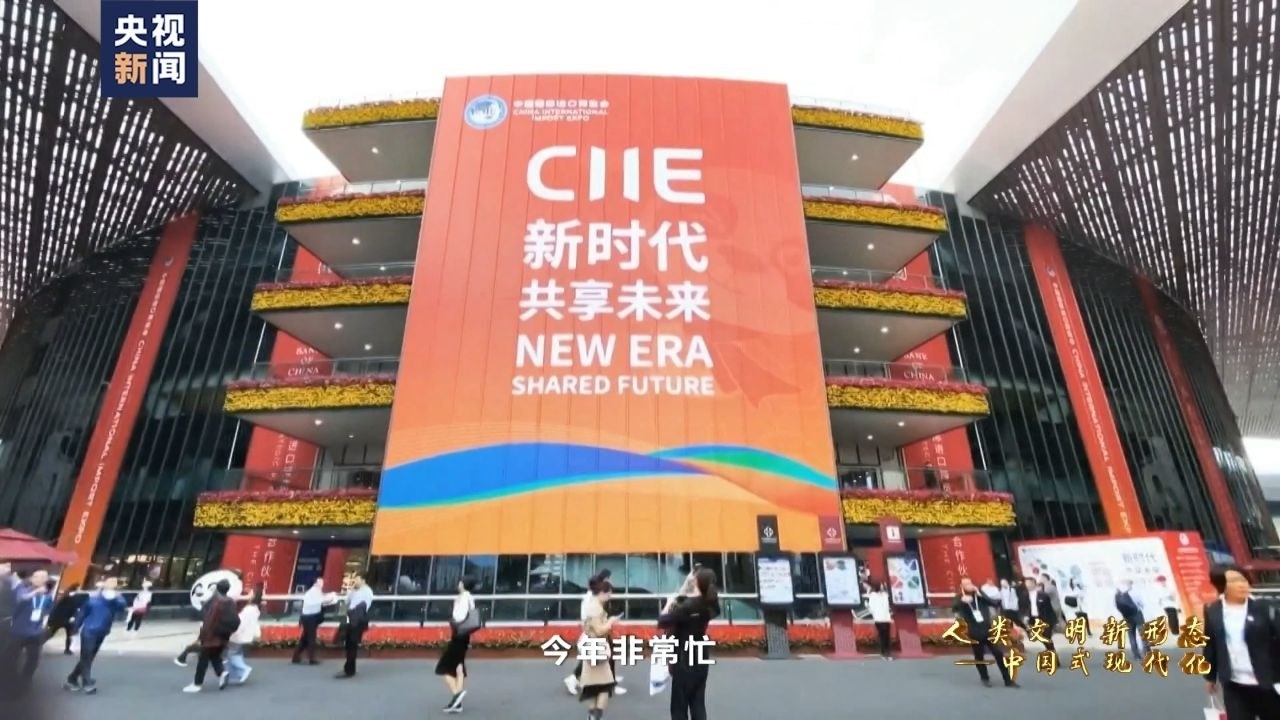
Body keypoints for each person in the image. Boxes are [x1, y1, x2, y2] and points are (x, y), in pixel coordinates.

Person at [1202, 564, 1280, 719]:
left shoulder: (1265, 607)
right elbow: (1211, 644)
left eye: (1243, 580)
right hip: (1234, 684)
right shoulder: (1213, 610)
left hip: (1268, 682)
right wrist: (1210, 676)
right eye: (1234, 581)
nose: (1242, 584)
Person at [659, 567, 720, 720]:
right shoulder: (710, 603)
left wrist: (668, 604)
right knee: (697, 702)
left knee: (679, 706)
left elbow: (662, 621)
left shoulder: (686, 606)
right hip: (700, 657)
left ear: (696, 582)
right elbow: (689, 601)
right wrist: (687, 586)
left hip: (683, 659)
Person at [565, 569, 627, 696]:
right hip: (595, 634)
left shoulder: (596, 597)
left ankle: (605, 682)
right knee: (600, 658)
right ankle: (604, 683)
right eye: (608, 579)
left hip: (597, 633)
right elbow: (592, 621)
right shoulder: (592, 599)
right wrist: (609, 622)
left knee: (602, 658)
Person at [65, 577, 128, 694]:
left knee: (89, 657)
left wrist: (116, 596)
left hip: (102, 631)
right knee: (87, 657)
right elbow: (81, 614)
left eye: (114, 582)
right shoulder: (93, 599)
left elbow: (122, 607)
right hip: (89, 631)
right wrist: (74, 630)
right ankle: (87, 683)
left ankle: (72, 678)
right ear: (104, 584)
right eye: (109, 581)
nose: (112, 583)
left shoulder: (116, 599)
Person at [952, 577, 1017, 688]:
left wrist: (980, 594)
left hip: (987, 629)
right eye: (966, 584)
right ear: (962, 586)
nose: (969, 585)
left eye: (970, 583)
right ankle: (985, 677)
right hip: (974, 631)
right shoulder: (959, 597)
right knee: (979, 656)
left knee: (998, 653)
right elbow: (954, 608)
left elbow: (994, 603)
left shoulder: (979, 595)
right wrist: (962, 601)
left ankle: (1008, 680)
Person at [183, 579, 238, 693]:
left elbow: (209, 621)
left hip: (211, 636)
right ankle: (222, 672)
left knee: (203, 660)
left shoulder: (217, 602)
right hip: (223, 635)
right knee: (215, 656)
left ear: (217, 588)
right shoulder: (231, 601)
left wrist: (202, 637)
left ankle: (197, 684)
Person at [435, 575, 479, 714]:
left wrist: (453, 620)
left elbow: (459, 616)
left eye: (460, 582)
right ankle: (457, 704)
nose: (458, 583)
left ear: (463, 584)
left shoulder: (463, 598)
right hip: (465, 636)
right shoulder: (470, 597)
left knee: (443, 667)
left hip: (458, 635)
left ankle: (456, 695)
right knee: (459, 666)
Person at [578, 576, 619, 720]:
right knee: (605, 685)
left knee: (595, 686)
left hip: (593, 646)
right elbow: (599, 630)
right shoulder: (595, 608)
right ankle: (595, 716)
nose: (609, 597)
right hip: (596, 647)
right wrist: (610, 622)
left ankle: (592, 715)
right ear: (601, 593)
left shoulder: (593, 606)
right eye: (608, 594)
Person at [10, 569, 53, 689]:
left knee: (33, 660)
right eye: (37, 577)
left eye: (43, 577)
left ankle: (24, 682)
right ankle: (10, 680)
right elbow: (20, 599)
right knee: (12, 658)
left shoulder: (47, 596)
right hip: (18, 631)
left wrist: (44, 624)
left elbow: (47, 611)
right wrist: (35, 593)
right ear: (32, 578)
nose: (40, 579)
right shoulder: (22, 589)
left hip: (35, 633)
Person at [336, 572, 374, 679]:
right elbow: (347, 602)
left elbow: (361, 607)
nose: (354, 581)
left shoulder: (367, 592)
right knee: (349, 645)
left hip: (357, 621)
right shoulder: (354, 591)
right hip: (350, 620)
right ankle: (349, 668)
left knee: (352, 645)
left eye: (357, 579)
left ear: (363, 580)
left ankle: (349, 670)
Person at [291, 578, 336, 665]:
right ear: (315, 583)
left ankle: (296, 656)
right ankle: (311, 658)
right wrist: (332, 595)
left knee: (305, 637)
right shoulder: (315, 591)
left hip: (307, 617)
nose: (322, 583)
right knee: (311, 637)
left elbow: (321, 601)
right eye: (320, 582)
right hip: (310, 617)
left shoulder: (313, 592)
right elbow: (324, 600)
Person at [226, 588, 262, 686]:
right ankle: (238, 674)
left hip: (238, 635)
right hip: (245, 636)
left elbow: (240, 623)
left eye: (250, 593)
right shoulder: (255, 609)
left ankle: (243, 669)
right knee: (236, 654)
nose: (247, 595)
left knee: (231, 654)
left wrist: (233, 632)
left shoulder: (248, 610)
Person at [1020, 578, 1057, 652]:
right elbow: (1023, 607)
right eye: (1026, 583)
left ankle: (1052, 652)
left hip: (1044, 620)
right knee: (1041, 637)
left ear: (1034, 584)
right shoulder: (1024, 595)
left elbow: (1049, 610)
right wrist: (1025, 616)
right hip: (1033, 619)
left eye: (1029, 583)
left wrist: (1052, 622)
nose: (1027, 585)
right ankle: (1050, 650)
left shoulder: (1043, 595)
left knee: (1046, 637)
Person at [46, 583, 84, 655]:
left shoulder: (64, 596)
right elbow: (73, 608)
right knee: (68, 634)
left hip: (60, 618)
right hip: (65, 619)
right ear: (76, 589)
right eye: (79, 589)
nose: (79, 590)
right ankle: (67, 650)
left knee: (52, 633)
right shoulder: (72, 598)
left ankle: (39, 643)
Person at [1114, 579, 1147, 661]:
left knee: (1131, 635)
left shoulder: (1118, 594)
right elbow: (1142, 604)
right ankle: (1147, 653)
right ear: (1131, 584)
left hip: (1127, 616)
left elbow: (1116, 606)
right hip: (1137, 615)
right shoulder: (1134, 592)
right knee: (1143, 634)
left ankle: (1136, 655)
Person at [866, 580, 893, 660]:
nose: (882, 587)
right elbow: (871, 608)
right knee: (882, 636)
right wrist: (875, 613)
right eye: (881, 586)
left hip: (885, 618)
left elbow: (887, 606)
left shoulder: (885, 595)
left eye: (882, 586)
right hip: (879, 618)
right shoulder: (873, 596)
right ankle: (884, 652)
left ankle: (887, 652)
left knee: (886, 636)